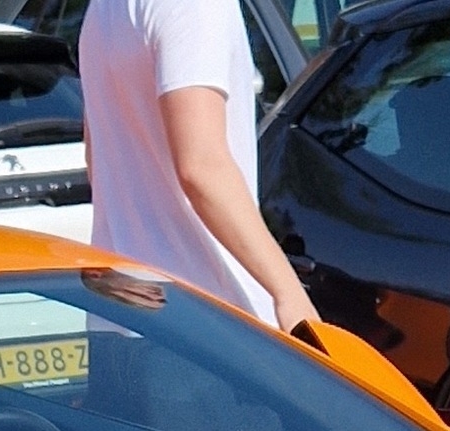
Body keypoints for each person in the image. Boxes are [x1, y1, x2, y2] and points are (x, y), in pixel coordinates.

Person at [79, 0, 318, 332]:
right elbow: (202, 167)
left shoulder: (104, 8)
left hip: (119, 317)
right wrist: (288, 294)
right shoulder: (197, 5)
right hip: (205, 323)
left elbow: (97, 157)